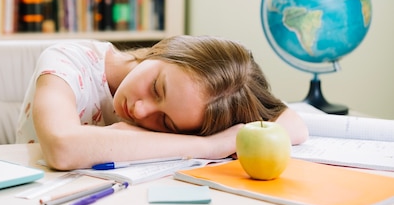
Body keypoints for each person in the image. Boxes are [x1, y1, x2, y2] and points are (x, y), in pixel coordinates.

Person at [15, 35, 308, 170]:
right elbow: (63, 148)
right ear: (164, 50)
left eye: (166, 122)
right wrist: (208, 147)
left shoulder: (200, 99)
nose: (141, 110)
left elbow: (295, 126)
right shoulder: (69, 60)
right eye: (157, 88)